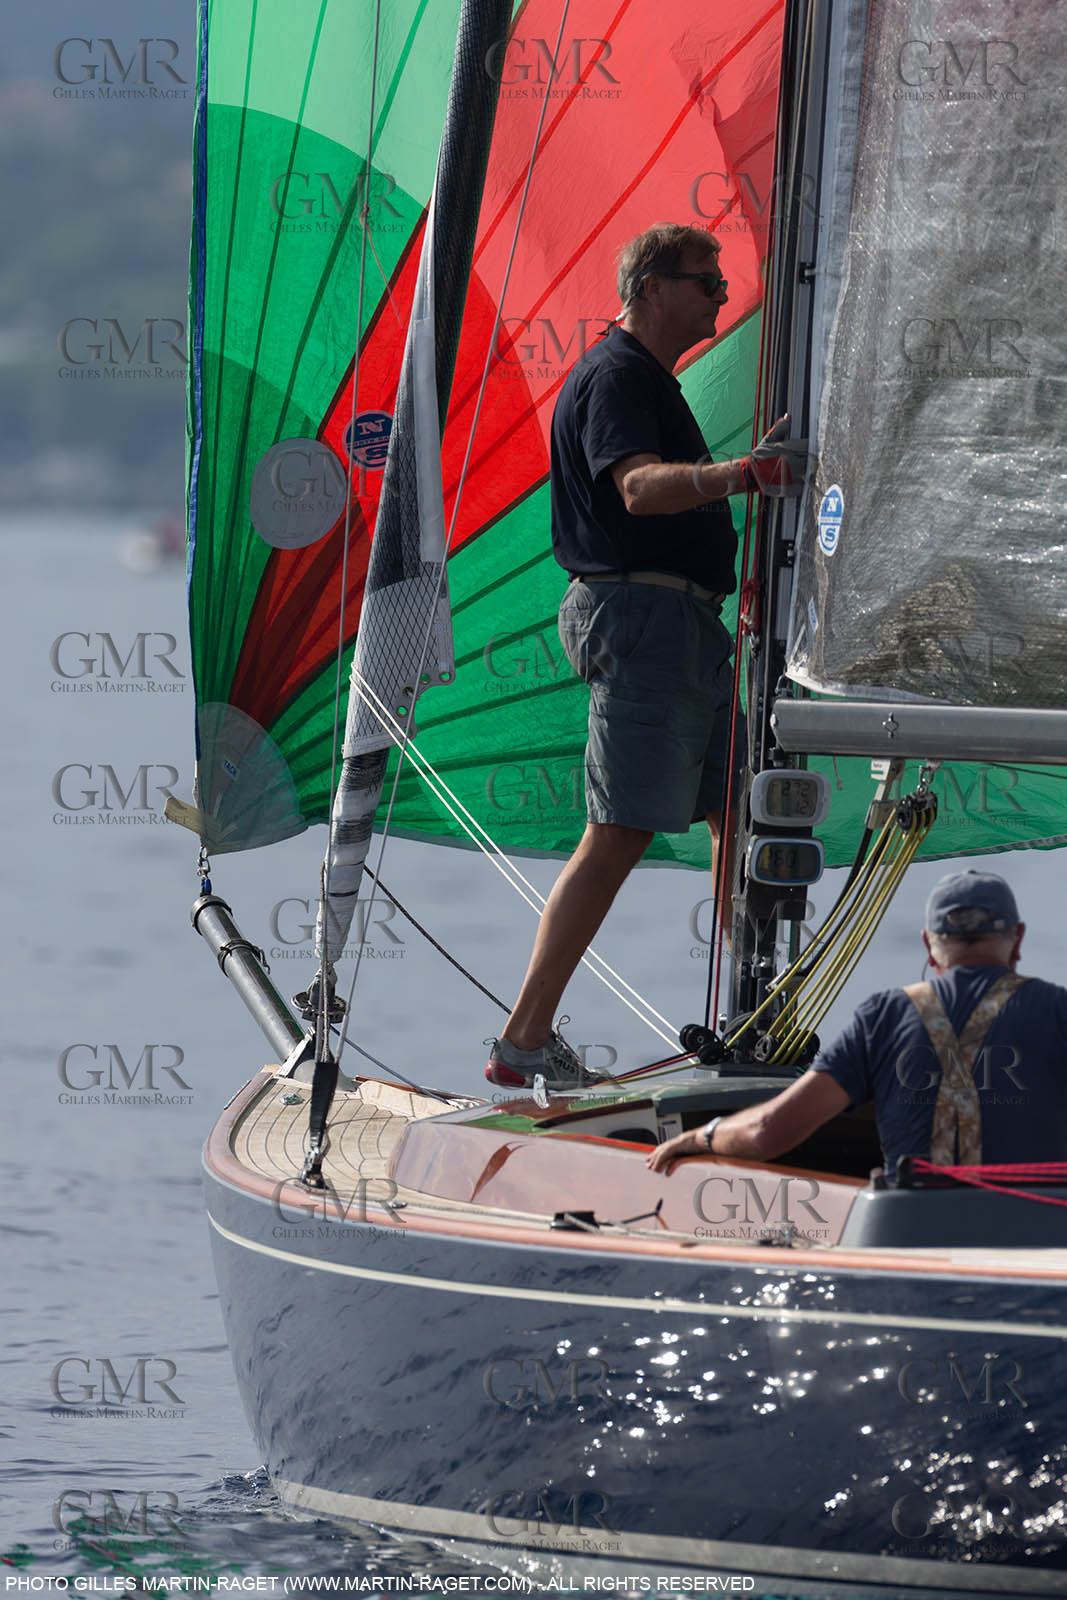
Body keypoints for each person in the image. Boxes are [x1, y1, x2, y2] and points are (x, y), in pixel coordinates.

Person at [486, 222, 808, 1089]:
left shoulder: (646, 381)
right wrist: (745, 474)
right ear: (654, 286)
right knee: (619, 830)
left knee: (740, 811)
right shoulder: (618, 375)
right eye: (707, 283)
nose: (720, 297)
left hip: (681, 625)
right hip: (642, 620)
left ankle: (753, 1013)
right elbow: (635, 488)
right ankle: (523, 1038)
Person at [646, 870, 1067, 1179]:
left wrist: (699, 1137)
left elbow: (766, 1133)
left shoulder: (884, 1017)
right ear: (1019, 938)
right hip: (1039, 1246)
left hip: (912, 1246)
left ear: (929, 945)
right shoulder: (1058, 1009)